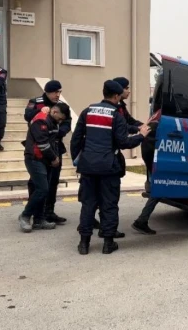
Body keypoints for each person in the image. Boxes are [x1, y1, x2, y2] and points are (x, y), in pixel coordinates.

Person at [70, 80, 151, 255]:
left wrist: (78, 160)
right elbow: (124, 143)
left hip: (88, 167)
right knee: (109, 204)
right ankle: (108, 243)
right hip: (108, 167)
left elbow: (76, 139)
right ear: (116, 96)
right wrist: (141, 136)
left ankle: (84, 244)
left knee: (88, 204)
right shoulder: (116, 116)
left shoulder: (87, 111)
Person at [23, 80, 69, 225]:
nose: (58, 95)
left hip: (55, 146)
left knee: (53, 181)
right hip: (38, 147)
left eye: (59, 92)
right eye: (55, 92)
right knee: (37, 183)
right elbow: (27, 116)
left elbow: (67, 122)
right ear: (47, 92)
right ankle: (34, 212)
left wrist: (57, 132)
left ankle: (48, 212)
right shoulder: (36, 102)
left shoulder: (61, 106)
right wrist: (40, 111)